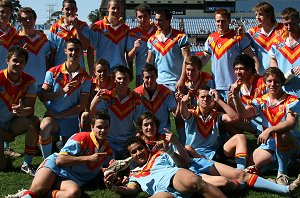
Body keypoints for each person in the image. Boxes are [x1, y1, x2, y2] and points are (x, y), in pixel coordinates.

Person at [131, 112, 300, 196]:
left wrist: (174, 142)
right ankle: (249, 181)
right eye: (146, 125)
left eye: (152, 124)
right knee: (224, 182)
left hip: (192, 163)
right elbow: (138, 169)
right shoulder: (139, 146)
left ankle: (286, 189)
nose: (149, 128)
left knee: (240, 173)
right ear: (141, 128)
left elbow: (184, 157)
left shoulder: (165, 136)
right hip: (182, 174)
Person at [17, 111, 113, 198]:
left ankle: (42, 192)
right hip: (54, 167)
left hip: (72, 179)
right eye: (99, 127)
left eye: (106, 127)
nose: (103, 130)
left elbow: (106, 168)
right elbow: (60, 160)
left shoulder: (108, 148)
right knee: (37, 191)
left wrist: (112, 170)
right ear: (92, 127)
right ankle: (34, 193)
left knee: (73, 193)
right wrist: (88, 159)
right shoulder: (81, 138)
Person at [232, 67, 300, 185]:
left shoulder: (292, 100)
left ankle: (282, 173)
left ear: (282, 82)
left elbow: (290, 123)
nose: (272, 84)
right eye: (269, 81)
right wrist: (235, 96)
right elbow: (244, 114)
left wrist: (270, 129)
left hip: (290, 141)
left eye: (276, 81)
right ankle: (287, 162)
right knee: (251, 166)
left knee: (281, 134)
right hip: (269, 144)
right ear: (265, 83)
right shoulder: (261, 100)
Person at [104, 136, 226, 198]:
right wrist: (114, 188)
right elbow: (131, 190)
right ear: (131, 156)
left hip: (174, 177)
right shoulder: (134, 174)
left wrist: (169, 151)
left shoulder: (160, 155)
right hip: (162, 191)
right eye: (134, 152)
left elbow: (184, 165)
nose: (139, 153)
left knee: (195, 182)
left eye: (140, 148)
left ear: (145, 148)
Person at [39, 38, 91, 159]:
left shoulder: (85, 78)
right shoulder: (53, 72)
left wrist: (59, 115)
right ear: (65, 51)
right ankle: (45, 161)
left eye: (77, 50)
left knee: (68, 154)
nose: (73, 53)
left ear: (81, 52)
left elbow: (81, 106)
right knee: (45, 125)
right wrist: (61, 92)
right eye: (70, 50)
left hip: (70, 119)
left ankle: (56, 143)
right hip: (53, 118)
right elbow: (42, 96)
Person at [180, 86, 248, 170]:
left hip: (214, 153)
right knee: (187, 148)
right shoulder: (192, 113)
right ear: (197, 98)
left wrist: (219, 100)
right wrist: (183, 104)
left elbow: (234, 118)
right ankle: (209, 163)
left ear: (212, 99)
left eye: (208, 97)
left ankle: (241, 170)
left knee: (240, 137)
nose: (205, 99)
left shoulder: (216, 115)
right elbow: (184, 114)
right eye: (202, 97)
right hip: (194, 153)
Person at [201, 8, 259, 101]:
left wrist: (254, 76)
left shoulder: (238, 36)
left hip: (234, 86)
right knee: (220, 115)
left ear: (229, 21)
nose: (220, 24)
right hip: (216, 87)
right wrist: (194, 68)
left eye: (223, 21)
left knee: (235, 115)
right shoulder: (211, 38)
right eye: (218, 21)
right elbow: (204, 59)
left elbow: (252, 57)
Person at [0, 47, 40, 176]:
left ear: (25, 64)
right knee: (2, 167)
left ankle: (26, 163)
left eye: (22, 61)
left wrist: (23, 111)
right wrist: (2, 133)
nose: (18, 64)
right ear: (7, 60)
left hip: (11, 124)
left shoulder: (29, 81)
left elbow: (31, 109)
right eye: (15, 60)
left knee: (33, 121)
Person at [90, 65, 144, 159]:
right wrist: (93, 105)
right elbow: (96, 117)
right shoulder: (106, 96)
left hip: (129, 141)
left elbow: (141, 124)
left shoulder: (136, 99)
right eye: (119, 78)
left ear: (130, 80)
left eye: (125, 78)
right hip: (109, 140)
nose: (122, 81)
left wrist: (136, 140)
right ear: (114, 79)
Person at [146, 8, 190, 92]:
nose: (157, 23)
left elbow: (187, 59)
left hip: (177, 83)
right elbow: (149, 62)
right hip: (158, 83)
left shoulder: (180, 36)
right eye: (156, 20)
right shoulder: (151, 40)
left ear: (169, 20)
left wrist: (182, 79)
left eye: (160, 20)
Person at [226, 54, 266, 136]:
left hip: (267, 121)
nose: (238, 72)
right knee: (227, 119)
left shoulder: (263, 83)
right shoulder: (237, 86)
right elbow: (236, 111)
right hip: (251, 120)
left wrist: (250, 114)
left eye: (241, 69)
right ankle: (241, 142)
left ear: (250, 69)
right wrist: (230, 101)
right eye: (236, 69)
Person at [134, 64, 178, 134]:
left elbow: (176, 113)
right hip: (144, 134)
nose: (150, 80)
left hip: (163, 133)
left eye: (152, 77)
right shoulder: (136, 94)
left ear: (157, 76)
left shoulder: (165, 92)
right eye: (147, 77)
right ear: (142, 77)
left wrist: (181, 103)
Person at [89, 0, 130, 71]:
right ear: (108, 8)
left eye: (118, 8)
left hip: (120, 71)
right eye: (113, 8)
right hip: (103, 70)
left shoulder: (126, 29)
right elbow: (90, 50)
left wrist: (130, 70)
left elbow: (128, 52)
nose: (116, 10)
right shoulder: (98, 26)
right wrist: (91, 71)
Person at [48, 0, 90, 68]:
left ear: (76, 10)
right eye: (67, 9)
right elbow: (52, 53)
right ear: (62, 10)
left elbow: (85, 46)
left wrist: (76, 27)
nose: (70, 12)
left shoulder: (83, 26)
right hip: (60, 70)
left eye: (72, 9)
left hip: (78, 69)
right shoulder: (54, 28)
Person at [270, 7, 300, 98]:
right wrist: (279, 75)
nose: (289, 27)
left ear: (298, 20)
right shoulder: (277, 42)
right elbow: (273, 61)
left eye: (292, 23)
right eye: (286, 24)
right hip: (284, 93)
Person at [247, 2, 285, 75]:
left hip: (280, 75)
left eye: (260, 14)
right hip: (261, 76)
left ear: (269, 15)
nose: (257, 17)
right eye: (256, 15)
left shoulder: (283, 29)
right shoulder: (251, 32)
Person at [17, 7, 51, 88]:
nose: (28, 21)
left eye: (30, 18)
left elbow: (48, 60)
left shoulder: (43, 38)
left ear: (35, 20)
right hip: (24, 82)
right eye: (25, 19)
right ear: (20, 21)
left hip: (43, 82)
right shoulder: (16, 39)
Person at [126, 3, 156, 86]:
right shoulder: (132, 33)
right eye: (140, 17)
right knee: (140, 97)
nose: (143, 19)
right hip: (141, 72)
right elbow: (129, 58)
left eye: (145, 16)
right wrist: (135, 48)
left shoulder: (158, 31)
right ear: (136, 18)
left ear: (150, 16)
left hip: (158, 73)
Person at [80, 58, 115, 131]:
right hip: (95, 112)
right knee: (85, 115)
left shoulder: (115, 83)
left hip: (111, 111)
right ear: (94, 72)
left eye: (105, 71)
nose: (102, 74)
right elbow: (86, 101)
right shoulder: (90, 84)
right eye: (99, 71)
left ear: (109, 71)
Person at [0, 0, 18, 70]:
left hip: (9, 75)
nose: (5, 14)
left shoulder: (13, 32)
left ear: (11, 13)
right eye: (2, 12)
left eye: (8, 12)